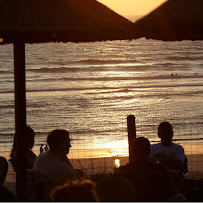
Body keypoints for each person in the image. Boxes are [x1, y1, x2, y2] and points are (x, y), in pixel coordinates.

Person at [114, 137, 175, 201]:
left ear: (132, 152)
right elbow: (171, 193)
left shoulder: (122, 171)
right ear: (149, 151)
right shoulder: (160, 169)